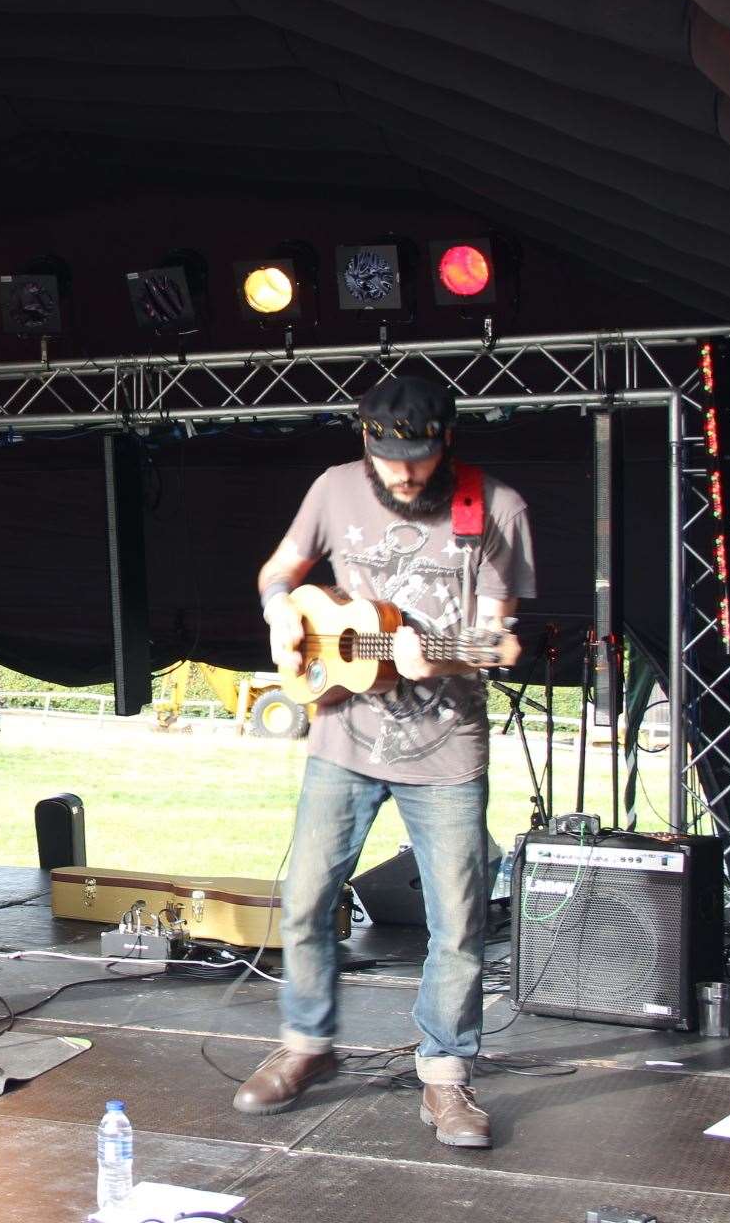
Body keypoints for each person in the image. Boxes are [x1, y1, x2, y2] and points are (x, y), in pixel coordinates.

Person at [236, 376, 534, 1149]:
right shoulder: (334, 489)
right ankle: (307, 1045)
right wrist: (280, 614)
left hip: (446, 752)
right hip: (343, 740)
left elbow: (495, 640)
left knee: (460, 922)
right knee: (305, 899)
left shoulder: (496, 509)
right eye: (391, 458)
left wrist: (436, 656)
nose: (405, 475)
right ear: (365, 441)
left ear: (448, 442)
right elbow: (281, 568)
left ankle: (444, 1075)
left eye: (421, 459)